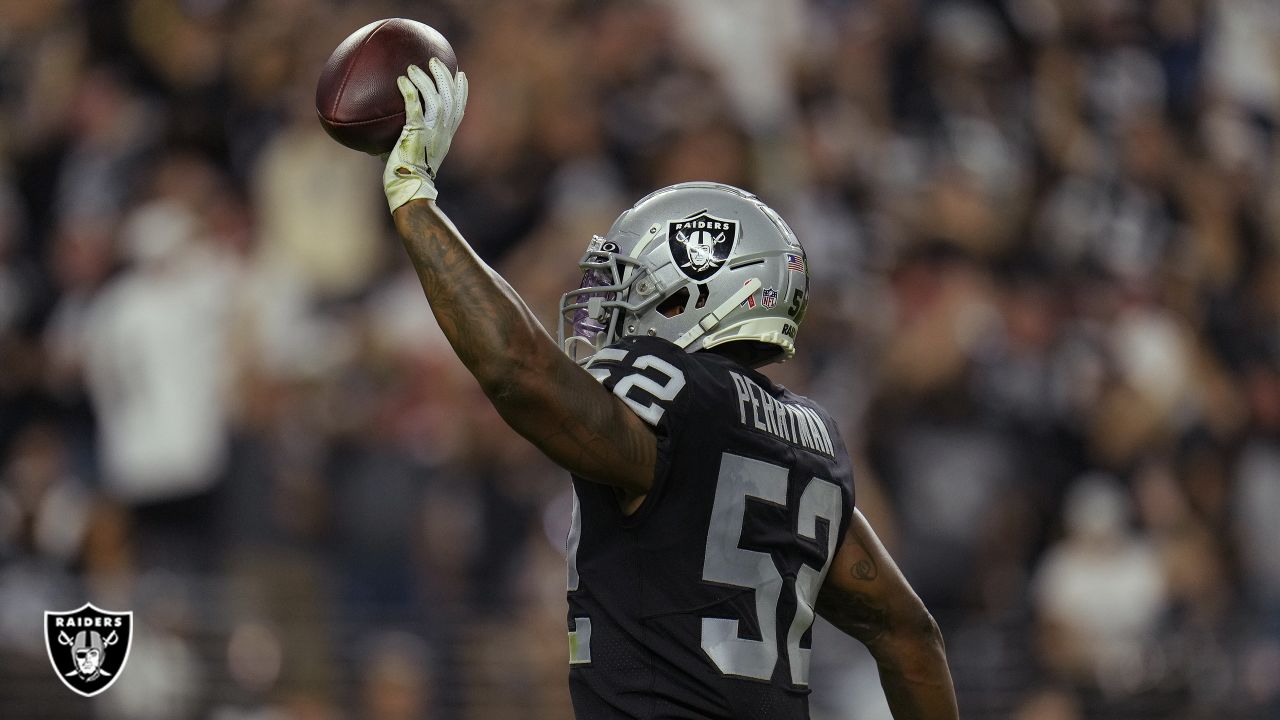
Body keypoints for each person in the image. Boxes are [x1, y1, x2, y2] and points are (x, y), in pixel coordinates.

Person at [378, 59, 958, 720]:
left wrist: (414, 201)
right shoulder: (807, 437)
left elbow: (519, 369)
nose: (608, 312)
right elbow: (912, 637)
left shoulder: (672, 392)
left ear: (698, 294)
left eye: (631, 287)